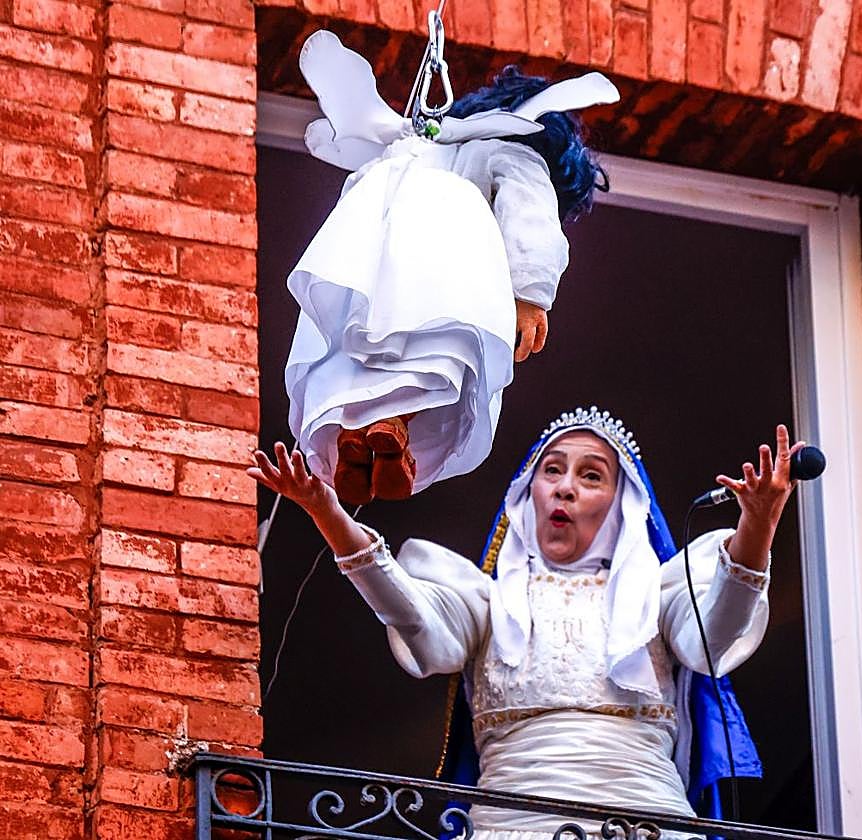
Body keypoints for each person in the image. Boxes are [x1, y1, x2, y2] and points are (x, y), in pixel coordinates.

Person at [248, 407, 801, 834]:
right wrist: (329, 513)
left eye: (590, 476)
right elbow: (410, 614)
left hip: (647, 827)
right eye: (552, 471)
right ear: (529, 495)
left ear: (620, 503)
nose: (564, 487)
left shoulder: (656, 600)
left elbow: (716, 635)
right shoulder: (488, 604)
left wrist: (758, 526)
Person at [284, 30, 619, 505]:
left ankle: (354, 434)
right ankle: (391, 428)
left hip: (374, 274)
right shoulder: (512, 150)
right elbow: (530, 215)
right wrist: (530, 294)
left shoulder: (407, 152)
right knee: (437, 356)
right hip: (447, 268)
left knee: (362, 350)